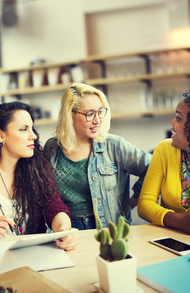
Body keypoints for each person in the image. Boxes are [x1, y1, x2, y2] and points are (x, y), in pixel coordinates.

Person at [0, 101, 77, 250]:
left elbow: (55, 207)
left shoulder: (38, 164)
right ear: (0, 135)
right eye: (24, 129)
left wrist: (64, 229)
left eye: (32, 128)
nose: (34, 136)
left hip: (31, 255)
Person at [44, 83, 151, 230]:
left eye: (100, 112)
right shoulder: (52, 147)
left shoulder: (115, 146)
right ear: (70, 115)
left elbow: (152, 166)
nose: (97, 120)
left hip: (107, 229)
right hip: (66, 229)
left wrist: (132, 201)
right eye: (90, 114)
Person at [138, 83, 190, 237]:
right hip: (168, 243)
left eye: (178, 118)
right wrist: (181, 221)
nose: (172, 124)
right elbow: (145, 204)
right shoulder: (164, 149)